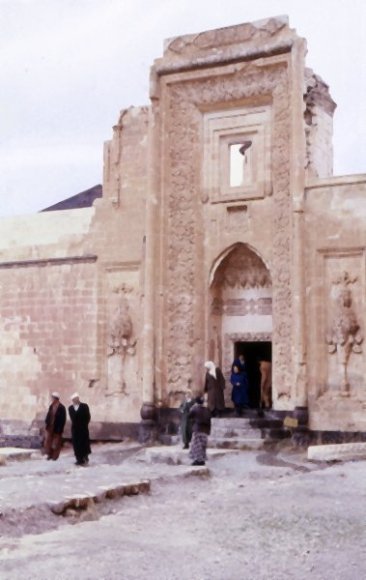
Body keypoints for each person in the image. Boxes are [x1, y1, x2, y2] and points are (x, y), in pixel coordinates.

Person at [68, 392, 91, 466]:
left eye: (77, 399)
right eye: (74, 399)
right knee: (76, 444)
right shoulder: (70, 408)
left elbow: (88, 416)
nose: (76, 400)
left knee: (84, 443)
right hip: (75, 429)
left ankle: (85, 456)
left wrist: (84, 424)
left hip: (83, 428)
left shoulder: (84, 406)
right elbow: (72, 418)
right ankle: (79, 459)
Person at [188, 396, 211, 466]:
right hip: (205, 430)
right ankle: (202, 460)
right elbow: (209, 420)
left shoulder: (195, 409)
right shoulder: (207, 409)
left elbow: (189, 416)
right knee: (203, 446)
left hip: (198, 429)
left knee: (196, 446)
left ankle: (197, 460)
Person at [44, 392, 66, 461]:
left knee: (56, 443)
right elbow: (48, 415)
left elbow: (63, 419)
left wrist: (60, 428)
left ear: (56, 399)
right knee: (49, 442)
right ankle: (49, 455)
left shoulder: (61, 408)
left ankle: (55, 456)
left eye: (53, 398)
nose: (52, 399)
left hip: (57, 428)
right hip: (50, 427)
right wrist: (46, 423)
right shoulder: (51, 406)